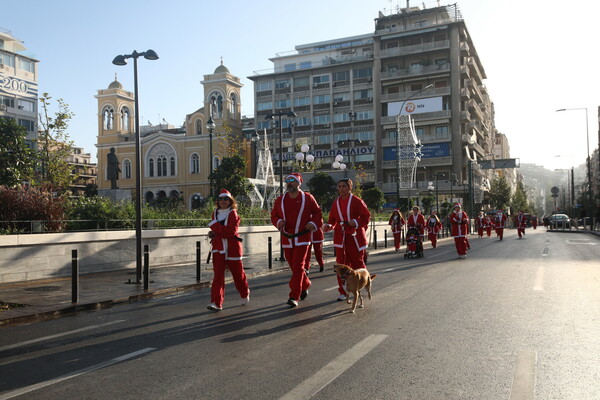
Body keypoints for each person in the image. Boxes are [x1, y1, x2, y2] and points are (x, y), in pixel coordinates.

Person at [271, 173, 323, 308]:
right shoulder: (280, 200)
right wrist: (278, 222)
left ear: (299, 183)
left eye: (292, 181)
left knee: (298, 265)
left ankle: (294, 296)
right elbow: (274, 215)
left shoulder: (308, 198)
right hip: (287, 238)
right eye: (287, 181)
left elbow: (318, 213)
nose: (289, 183)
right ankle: (305, 284)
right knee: (294, 267)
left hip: (303, 237)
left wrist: (313, 223)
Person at [323, 178, 370, 301]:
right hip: (340, 236)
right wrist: (329, 225)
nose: (341, 189)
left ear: (350, 187)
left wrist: (355, 222)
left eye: (344, 186)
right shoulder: (336, 203)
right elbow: (332, 219)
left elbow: (366, 217)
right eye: (339, 186)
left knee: (357, 264)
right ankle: (343, 291)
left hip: (354, 237)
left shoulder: (357, 201)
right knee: (341, 266)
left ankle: (360, 286)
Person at [206, 189, 249, 312]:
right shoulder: (215, 213)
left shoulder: (233, 213)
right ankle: (216, 302)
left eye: (225, 199)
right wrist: (213, 232)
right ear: (218, 201)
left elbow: (231, 232)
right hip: (218, 248)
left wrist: (214, 226)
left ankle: (244, 292)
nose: (223, 201)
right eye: (221, 199)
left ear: (230, 201)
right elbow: (223, 231)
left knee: (238, 275)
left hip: (232, 248)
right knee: (217, 276)